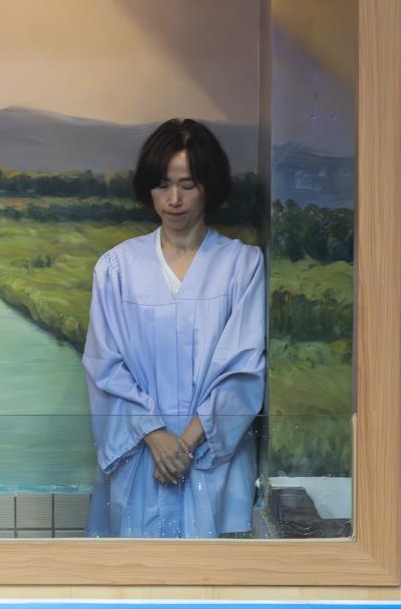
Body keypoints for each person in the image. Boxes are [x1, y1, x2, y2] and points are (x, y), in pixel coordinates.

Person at [84, 119, 265, 538]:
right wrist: (154, 435)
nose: (174, 199)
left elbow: (243, 370)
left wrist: (185, 444)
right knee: (136, 575)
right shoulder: (117, 268)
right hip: (140, 458)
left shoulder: (241, 266)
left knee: (216, 576)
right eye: (163, 184)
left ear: (210, 187)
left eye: (188, 185)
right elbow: (104, 367)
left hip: (213, 461)